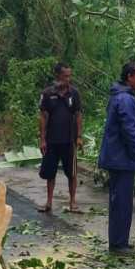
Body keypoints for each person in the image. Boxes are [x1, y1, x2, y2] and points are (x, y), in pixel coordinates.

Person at [98, 62, 135, 256]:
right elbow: (130, 131)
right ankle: (119, 244)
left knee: (119, 202)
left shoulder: (118, 97)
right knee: (122, 203)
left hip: (117, 157)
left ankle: (119, 241)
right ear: (129, 77)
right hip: (121, 159)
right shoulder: (125, 100)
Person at [38, 62, 84, 213]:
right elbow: (43, 117)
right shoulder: (47, 94)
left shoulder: (74, 94)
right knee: (50, 172)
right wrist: (43, 139)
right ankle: (49, 202)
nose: (68, 79)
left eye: (69, 76)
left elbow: (78, 115)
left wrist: (79, 136)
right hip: (52, 140)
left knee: (72, 173)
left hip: (69, 140)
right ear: (57, 76)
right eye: (65, 76)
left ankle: (72, 202)